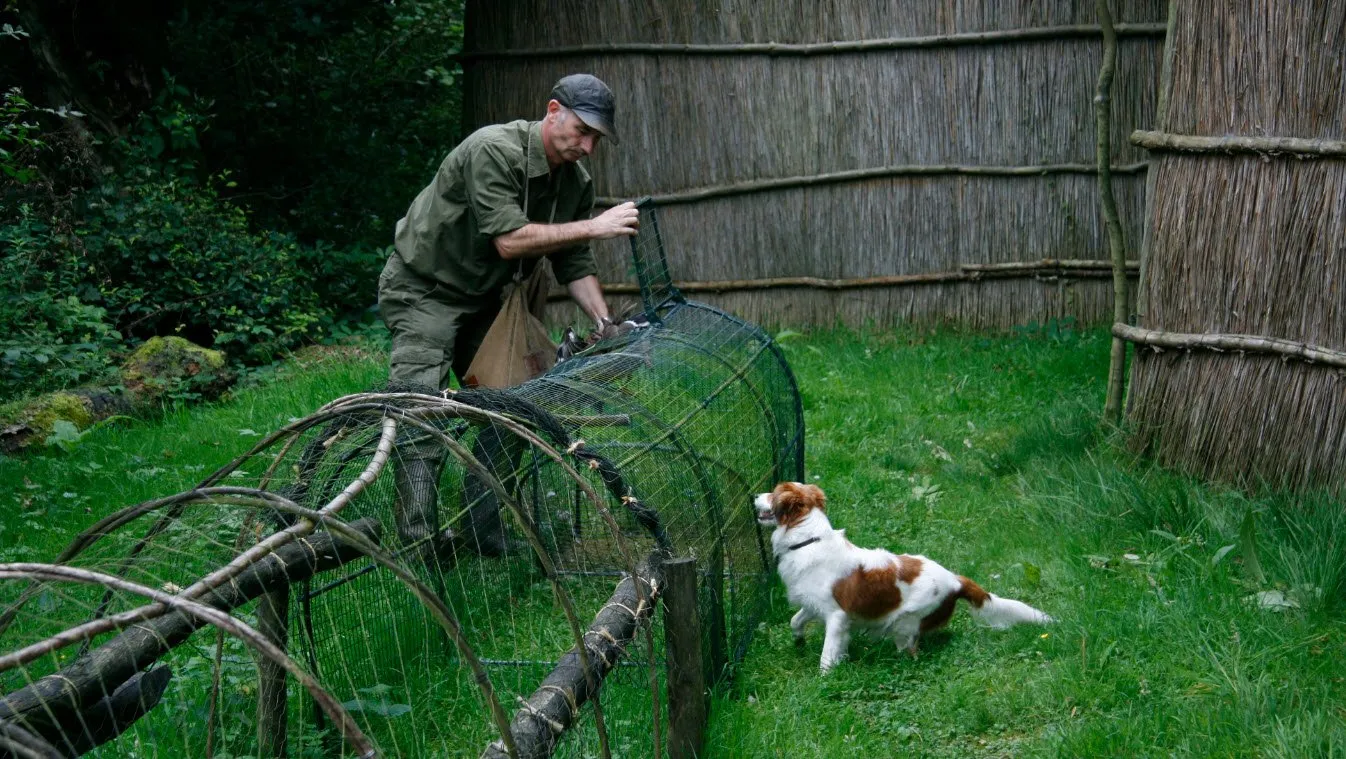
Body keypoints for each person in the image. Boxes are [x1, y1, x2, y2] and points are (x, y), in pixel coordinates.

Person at [378, 73, 638, 561]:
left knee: (514, 408)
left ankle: (483, 533)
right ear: (553, 109)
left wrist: (604, 323)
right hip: (425, 290)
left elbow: (574, 260)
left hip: (485, 299)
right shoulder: (494, 151)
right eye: (581, 131)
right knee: (420, 411)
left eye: (596, 139)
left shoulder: (574, 182)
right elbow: (509, 240)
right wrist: (598, 225)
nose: (587, 147)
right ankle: (417, 546)